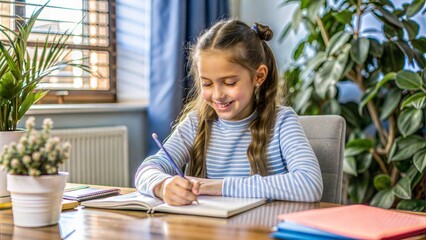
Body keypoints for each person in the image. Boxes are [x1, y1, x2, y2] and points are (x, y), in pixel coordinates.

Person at [135, 19, 323, 206]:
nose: (217, 95)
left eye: (230, 83)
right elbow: (146, 170)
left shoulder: (282, 122)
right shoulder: (195, 123)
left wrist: (220, 186)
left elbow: (310, 183)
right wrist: (162, 185)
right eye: (207, 83)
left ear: (259, 76)